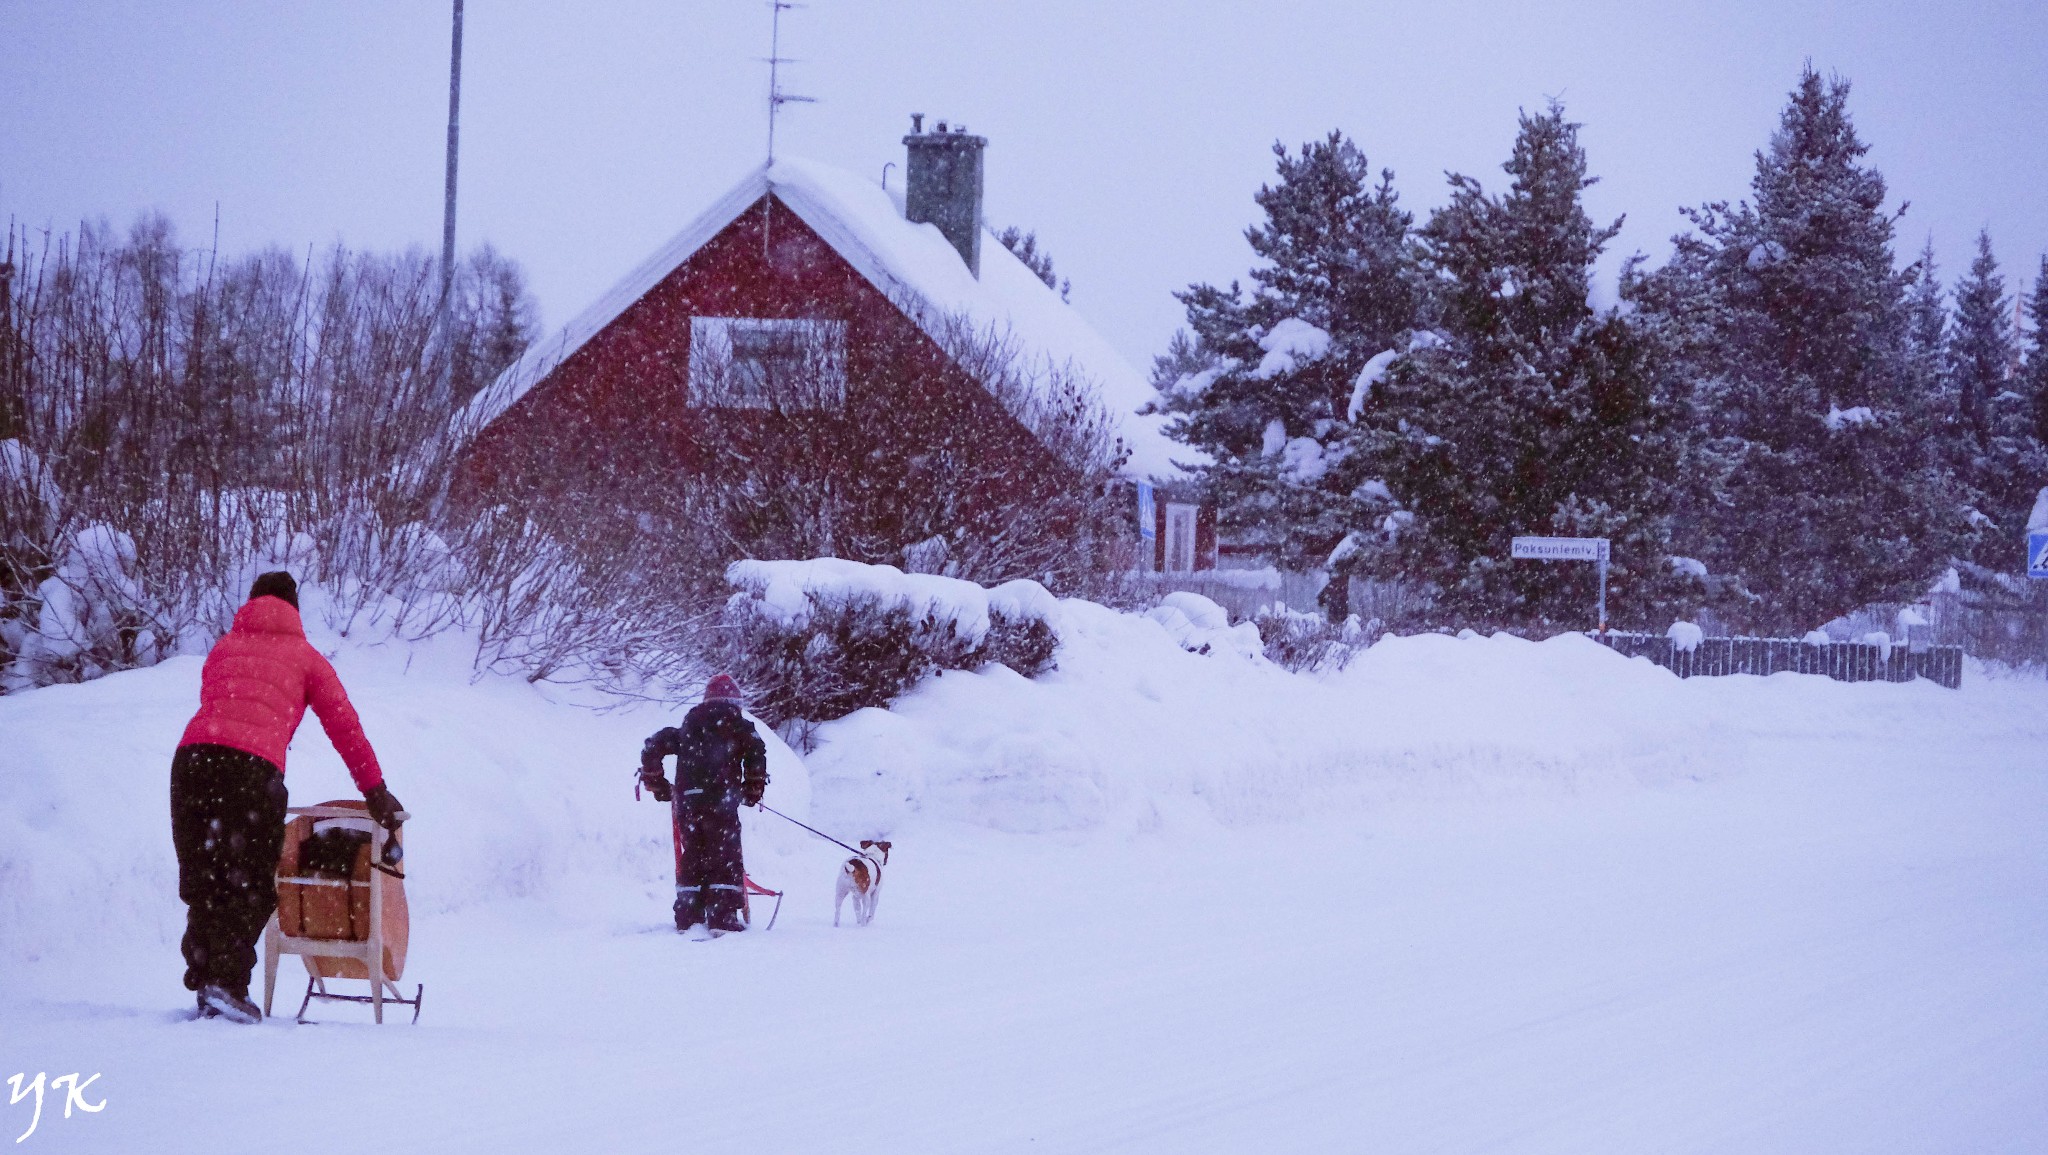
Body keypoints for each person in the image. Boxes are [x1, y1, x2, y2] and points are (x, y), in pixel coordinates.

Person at [170, 571, 403, 1022]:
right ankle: (226, 984)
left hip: (192, 761)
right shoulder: (305, 656)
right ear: (294, 609)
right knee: (250, 881)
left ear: (251, 603)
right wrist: (374, 790)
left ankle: (206, 976)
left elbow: (219, 702)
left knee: (206, 875)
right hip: (251, 770)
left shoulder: (223, 648)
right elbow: (344, 725)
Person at [638, 674, 768, 935]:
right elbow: (756, 753)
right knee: (725, 855)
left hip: (688, 801)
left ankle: (689, 914)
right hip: (722, 800)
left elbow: (654, 745)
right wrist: (752, 789)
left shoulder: (689, 726)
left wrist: (657, 783)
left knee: (694, 855)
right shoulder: (739, 726)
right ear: (735, 701)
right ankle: (722, 916)